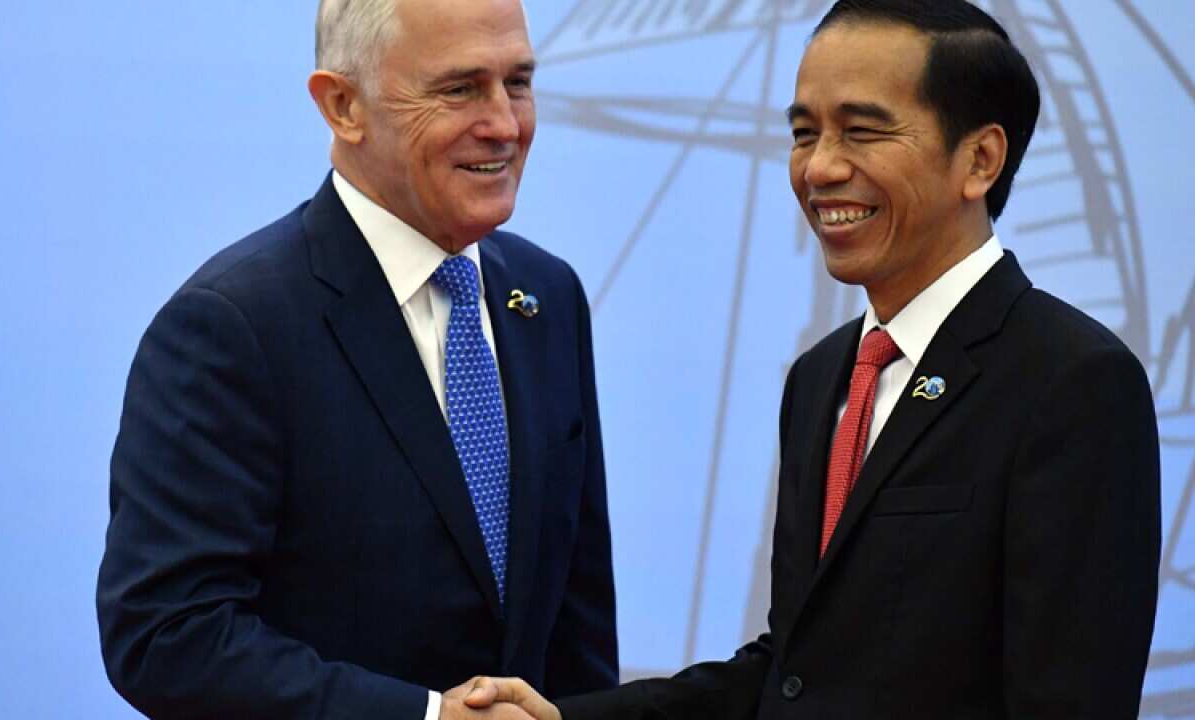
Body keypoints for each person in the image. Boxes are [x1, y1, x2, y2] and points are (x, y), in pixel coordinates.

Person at [464, 0, 1161, 717]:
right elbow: (796, 666)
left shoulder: (1073, 383)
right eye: (805, 134)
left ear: (980, 158)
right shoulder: (823, 376)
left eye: (862, 131)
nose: (820, 168)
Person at [95, 0, 618, 717]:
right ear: (343, 105)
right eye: (460, 89)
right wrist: (425, 718)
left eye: (518, 82)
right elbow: (166, 635)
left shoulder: (546, 299)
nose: (504, 124)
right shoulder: (232, 327)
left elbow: (576, 625)